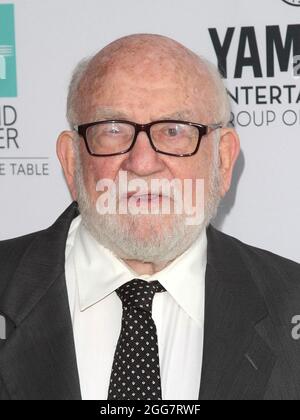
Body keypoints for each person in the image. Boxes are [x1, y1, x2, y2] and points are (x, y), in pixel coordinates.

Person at [0, 34, 300, 401]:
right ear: (71, 161)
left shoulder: (292, 303)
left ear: (222, 160)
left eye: (174, 130)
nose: (142, 164)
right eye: (113, 129)